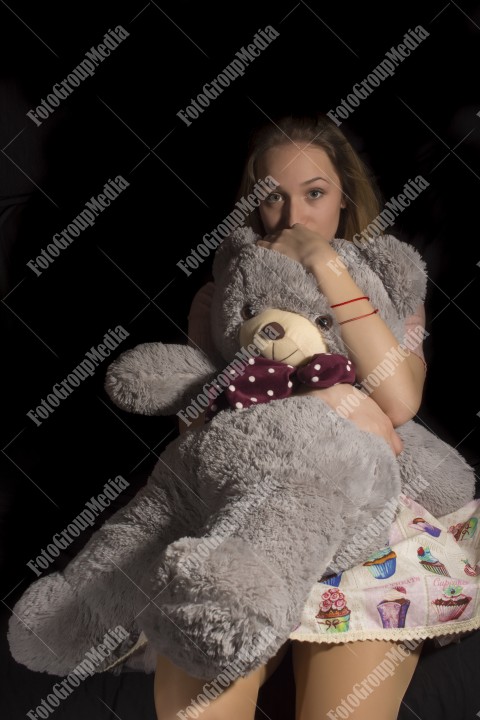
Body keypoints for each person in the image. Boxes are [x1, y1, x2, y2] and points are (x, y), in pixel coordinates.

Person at [153, 114, 478, 720]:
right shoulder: (224, 294)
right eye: (272, 196)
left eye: (315, 193)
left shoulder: (391, 283)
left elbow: (400, 400)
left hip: (367, 517)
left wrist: (324, 263)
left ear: (344, 196)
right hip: (246, 514)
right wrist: (316, 398)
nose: (293, 216)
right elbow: (195, 428)